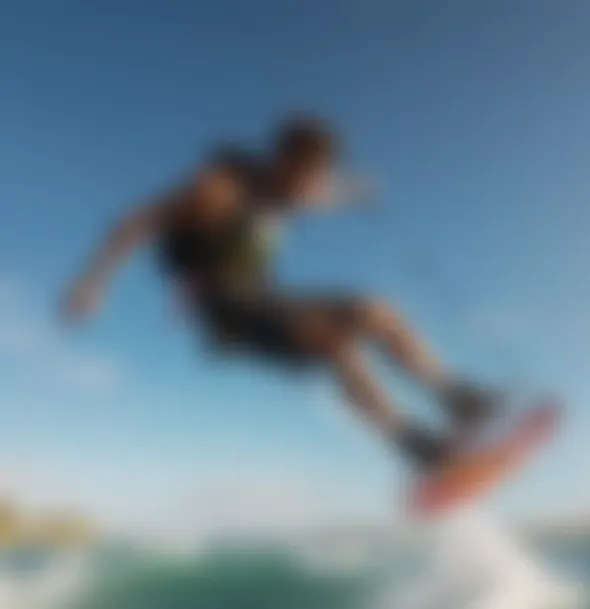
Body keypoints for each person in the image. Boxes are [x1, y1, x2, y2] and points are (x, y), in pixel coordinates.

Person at [62, 116, 500, 470]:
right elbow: (139, 222)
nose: (310, 188)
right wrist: (92, 283)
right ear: (282, 162)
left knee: (376, 310)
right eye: (306, 176)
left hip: (266, 298)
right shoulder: (218, 190)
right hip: (224, 310)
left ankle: (454, 397)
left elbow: (323, 197)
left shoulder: (293, 192)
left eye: (318, 178)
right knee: (334, 344)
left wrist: (356, 192)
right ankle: (410, 442)